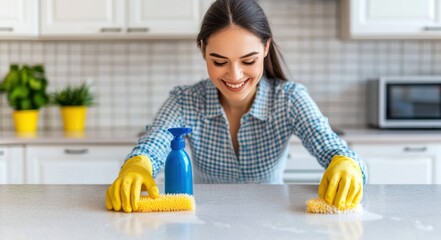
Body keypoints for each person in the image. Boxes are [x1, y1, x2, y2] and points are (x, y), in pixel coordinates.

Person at [106, 0, 368, 213]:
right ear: (202, 51)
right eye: (219, 62)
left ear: (265, 48)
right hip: (204, 224)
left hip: (271, 221)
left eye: (248, 60)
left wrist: (346, 164)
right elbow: (152, 144)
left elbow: (334, 148)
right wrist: (137, 165)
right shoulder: (185, 101)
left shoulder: (289, 99)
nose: (234, 75)